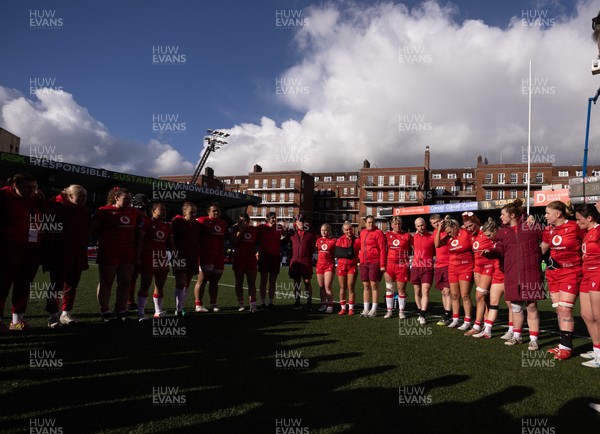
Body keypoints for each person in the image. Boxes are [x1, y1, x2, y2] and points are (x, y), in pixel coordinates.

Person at [486, 199, 544, 351]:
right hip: (512, 274)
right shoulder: (502, 232)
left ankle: (533, 339)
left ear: (512, 215)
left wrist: (540, 254)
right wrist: (489, 253)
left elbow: (548, 237)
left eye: (502, 214)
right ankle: (517, 336)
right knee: (516, 307)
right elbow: (499, 250)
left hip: (531, 273)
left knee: (531, 306)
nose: (500, 217)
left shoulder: (532, 226)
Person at [91, 187, 145, 322]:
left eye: (129, 199)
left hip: (128, 253)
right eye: (125, 199)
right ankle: (104, 311)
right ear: (116, 198)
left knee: (125, 282)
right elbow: (93, 229)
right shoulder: (104, 211)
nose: (128, 202)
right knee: (106, 282)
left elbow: (142, 230)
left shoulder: (135, 213)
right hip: (109, 251)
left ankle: (121, 310)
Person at [0, 173, 45, 331]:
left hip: (32, 249)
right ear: (15, 185)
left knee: (24, 285)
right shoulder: (4, 195)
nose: (32, 190)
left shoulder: (36, 198)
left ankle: (17, 321)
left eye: (34, 187)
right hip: (8, 247)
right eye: (27, 187)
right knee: (2, 284)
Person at [542, 201, 585, 360]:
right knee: (559, 310)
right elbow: (543, 249)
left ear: (558, 214)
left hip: (571, 272)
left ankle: (567, 348)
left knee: (565, 309)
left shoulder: (575, 227)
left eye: (547, 213)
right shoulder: (548, 230)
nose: (545, 216)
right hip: (553, 273)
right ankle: (563, 344)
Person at [43, 184, 90, 328]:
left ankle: (66, 313)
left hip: (78, 253)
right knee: (56, 286)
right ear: (69, 196)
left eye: (85, 197)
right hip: (59, 253)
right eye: (80, 196)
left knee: (71, 286)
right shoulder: (54, 206)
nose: (83, 199)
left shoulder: (85, 211)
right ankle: (53, 315)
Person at [472, 218, 512, 339]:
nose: (488, 238)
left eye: (489, 235)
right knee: (493, 303)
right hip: (496, 274)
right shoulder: (494, 240)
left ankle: (512, 331)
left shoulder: (504, 238)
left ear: (495, 230)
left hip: (507, 274)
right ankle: (487, 331)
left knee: (511, 304)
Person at [136, 203, 175, 320]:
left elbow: (171, 244)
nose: (164, 212)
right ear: (153, 211)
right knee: (145, 285)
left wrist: (176, 256)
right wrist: (137, 257)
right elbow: (140, 240)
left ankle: (158, 311)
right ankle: (141, 313)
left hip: (162, 258)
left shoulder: (167, 226)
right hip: (148, 257)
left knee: (160, 285)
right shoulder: (146, 222)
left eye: (165, 210)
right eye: (161, 210)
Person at [574, 204, 600, 367]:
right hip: (586, 275)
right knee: (586, 315)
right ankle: (597, 349)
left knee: (598, 316)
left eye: (579, 219)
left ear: (590, 218)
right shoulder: (586, 233)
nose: (577, 222)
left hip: (598, 274)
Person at [436, 217, 474, 329]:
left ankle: (467, 321)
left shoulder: (465, 232)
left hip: (466, 267)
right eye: (447, 232)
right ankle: (456, 319)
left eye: (450, 231)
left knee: (465, 295)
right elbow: (437, 244)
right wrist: (439, 229)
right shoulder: (448, 238)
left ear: (455, 227)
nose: (449, 234)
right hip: (452, 268)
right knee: (454, 295)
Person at [194, 203, 228, 312]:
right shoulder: (201, 221)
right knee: (202, 280)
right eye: (214, 211)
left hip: (218, 256)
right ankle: (198, 304)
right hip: (205, 255)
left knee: (214, 281)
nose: (216, 213)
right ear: (208, 212)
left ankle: (213, 304)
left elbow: (226, 238)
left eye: (218, 211)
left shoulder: (223, 223)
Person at [462, 212, 491, 336]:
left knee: (480, 296)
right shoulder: (471, 236)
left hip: (489, 268)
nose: (469, 229)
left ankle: (478, 325)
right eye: (467, 227)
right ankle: (486, 324)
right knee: (484, 298)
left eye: (471, 226)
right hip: (478, 269)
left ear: (476, 223)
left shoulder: (485, 232)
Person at [171, 202, 201, 316]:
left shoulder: (197, 225)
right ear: (184, 212)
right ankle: (178, 309)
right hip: (179, 256)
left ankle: (181, 307)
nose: (193, 214)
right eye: (191, 212)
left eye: (195, 212)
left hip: (192, 257)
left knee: (187, 283)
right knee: (180, 283)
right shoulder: (177, 222)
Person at [383, 216, 412, 319]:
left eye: (399, 224)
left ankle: (401, 312)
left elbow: (415, 247)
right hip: (389, 265)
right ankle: (389, 311)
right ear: (391, 225)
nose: (397, 226)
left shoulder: (407, 236)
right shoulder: (387, 235)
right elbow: (382, 250)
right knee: (389, 289)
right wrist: (383, 266)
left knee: (401, 289)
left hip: (402, 265)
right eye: (395, 224)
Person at [359, 215, 386, 318]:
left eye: (373, 222)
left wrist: (382, 264)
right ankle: (366, 309)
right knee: (366, 286)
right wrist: (359, 257)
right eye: (369, 222)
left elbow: (383, 249)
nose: (371, 224)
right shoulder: (362, 232)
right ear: (365, 223)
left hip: (375, 262)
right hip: (363, 263)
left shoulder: (379, 233)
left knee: (374, 285)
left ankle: (374, 309)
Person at [127, 193, 151, 312]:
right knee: (129, 278)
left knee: (131, 278)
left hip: (135, 249)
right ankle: (127, 302)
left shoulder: (135, 213)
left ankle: (128, 302)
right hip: (133, 250)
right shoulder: (139, 215)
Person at [231, 213, 258, 313]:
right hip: (239, 259)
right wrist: (240, 230)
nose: (242, 223)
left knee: (252, 282)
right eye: (240, 221)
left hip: (250, 260)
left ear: (248, 221)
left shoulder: (254, 230)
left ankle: (253, 304)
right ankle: (241, 304)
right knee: (239, 282)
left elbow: (260, 241)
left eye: (244, 222)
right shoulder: (235, 229)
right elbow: (234, 242)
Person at [288, 214, 317, 310]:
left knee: (307, 281)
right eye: (299, 221)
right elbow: (281, 242)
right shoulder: (291, 233)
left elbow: (317, 241)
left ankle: (309, 302)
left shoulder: (310, 233)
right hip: (295, 261)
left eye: (303, 221)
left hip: (306, 260)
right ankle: (297, 301)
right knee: (296, 283)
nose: (301, 223)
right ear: (296, 223)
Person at [256, 212, 285, 309]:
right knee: (263, 280)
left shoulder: (279, 227)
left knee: (273, 280)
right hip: (264, 255)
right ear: (267, 219)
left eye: (275, 218)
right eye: (272, 218)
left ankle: (271, 302)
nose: (274, 219)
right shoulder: (261, 227)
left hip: (275, 256)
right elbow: (253, 236)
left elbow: (286, 235)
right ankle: (263, 302)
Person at [411, 217, 435, 324]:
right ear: (415, 227)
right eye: (418, 226)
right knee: (417, 291)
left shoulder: (432, 237)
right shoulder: (413, 237)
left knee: (425, 290)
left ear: (425, 225)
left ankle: (422, 315)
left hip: (427, 267)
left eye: (422, 225)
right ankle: (420, 310)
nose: (421, 227)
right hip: (416, 267)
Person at [431, 214, 452, 325]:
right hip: (439, 265)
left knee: (448, 291)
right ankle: (446, 314)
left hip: (448, 264)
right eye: (434, 223)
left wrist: (447, 221)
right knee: (443, 291)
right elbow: (435, 244)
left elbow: (437, 244)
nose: (437, 224)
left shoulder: (447, 230)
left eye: (438, 221)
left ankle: (448, 315)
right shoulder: (435, 232)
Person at [336, 221, 361, 316]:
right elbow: (338, 253)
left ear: (352, 229)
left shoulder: (357, 240)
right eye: (346, 230)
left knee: (351, 287)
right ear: (343, 231)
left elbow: (361, 251)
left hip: (352, 266)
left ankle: (351, 308)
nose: (348, 231)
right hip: (341, 266)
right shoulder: (339, 240)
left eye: (350, 229)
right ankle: (343, 308)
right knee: (342, 287)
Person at [316, 223, 336, 313]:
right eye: (322, 230)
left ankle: (330, 305)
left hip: (329, 265)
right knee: (321, 286)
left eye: (325, 230)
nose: (324, 232)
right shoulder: (318, 240)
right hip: (319, 266)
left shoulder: (334, 240)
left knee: (327, 286)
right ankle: (323, 304)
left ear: (329, 231)